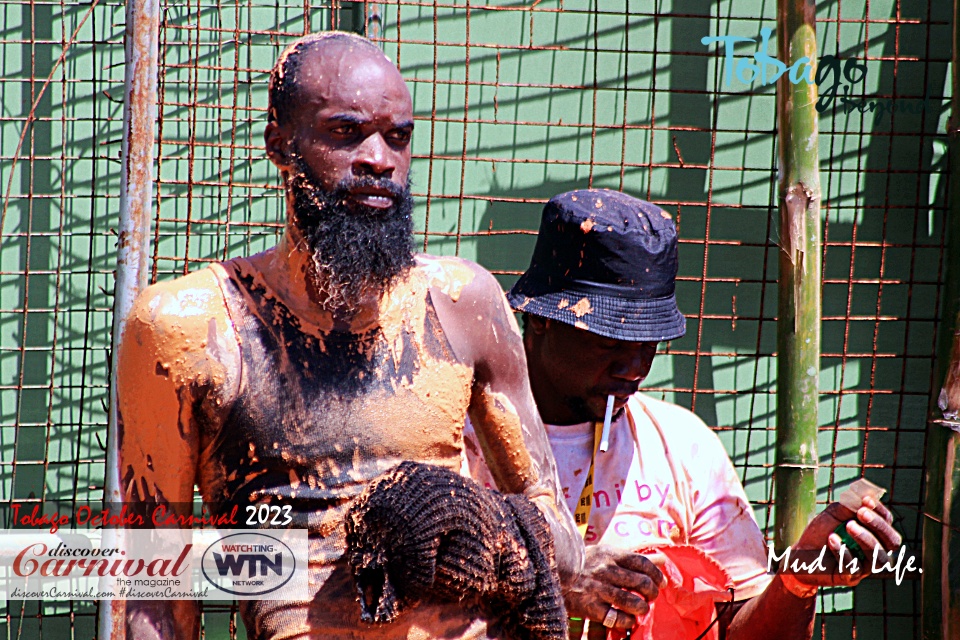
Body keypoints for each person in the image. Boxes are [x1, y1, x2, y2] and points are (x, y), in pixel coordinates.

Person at [116, 33, 662, 640]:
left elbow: (551, 527)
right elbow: (151, 590)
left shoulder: (463, 304)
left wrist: (481, 523)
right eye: (345, 133)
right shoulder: (190, 326)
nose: (378, 158)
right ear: (280, 144)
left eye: (397, 137)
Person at [463, 188, 903, 640]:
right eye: (612, 341)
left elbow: (741, 630)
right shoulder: (455, 440)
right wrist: (560, 577)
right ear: (543, 318)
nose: (635, 367)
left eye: (649, 343)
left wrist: (796, 583)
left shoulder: (683, 446)